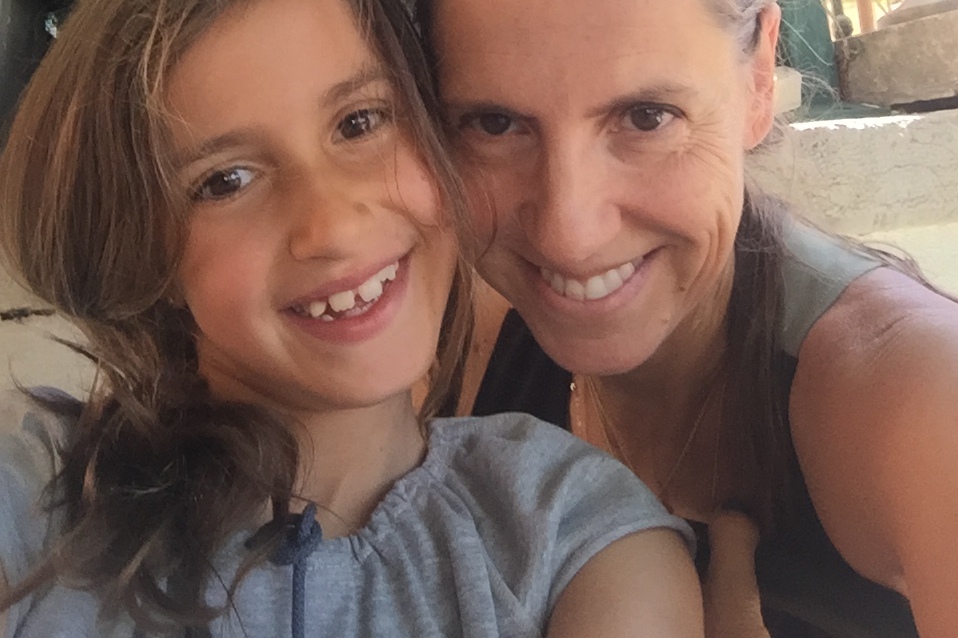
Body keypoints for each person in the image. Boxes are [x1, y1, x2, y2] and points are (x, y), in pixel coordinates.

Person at [0, 0, 704, 635]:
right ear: (143, 254)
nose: (331, 227)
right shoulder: (38, 498)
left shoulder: (570, 534)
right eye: (225, 181)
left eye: (359, 123)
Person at [416, 0, 958, 636]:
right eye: (495, 124)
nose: (568, 236)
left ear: (759, 78)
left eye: (647, 117)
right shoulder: (459, 337)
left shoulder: (923, 402)